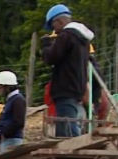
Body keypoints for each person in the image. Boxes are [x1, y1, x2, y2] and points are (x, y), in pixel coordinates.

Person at [41, 4, 95, 138]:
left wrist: (46, 45)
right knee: (69, 123)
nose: (55, 31)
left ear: (59, 21)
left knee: (67, 130)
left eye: (54, 26)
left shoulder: (66, 36)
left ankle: (76, 154)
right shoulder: (82, 40)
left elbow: (50, 58)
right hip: (76, 88)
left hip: (65, 88)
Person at [0, 71, 26, 153]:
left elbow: (19, 122)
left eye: (0, 87)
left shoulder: (17, 99)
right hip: (8, 140)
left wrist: (3, 132)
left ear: (7, 87)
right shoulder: (12, 100)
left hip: (12, 141)